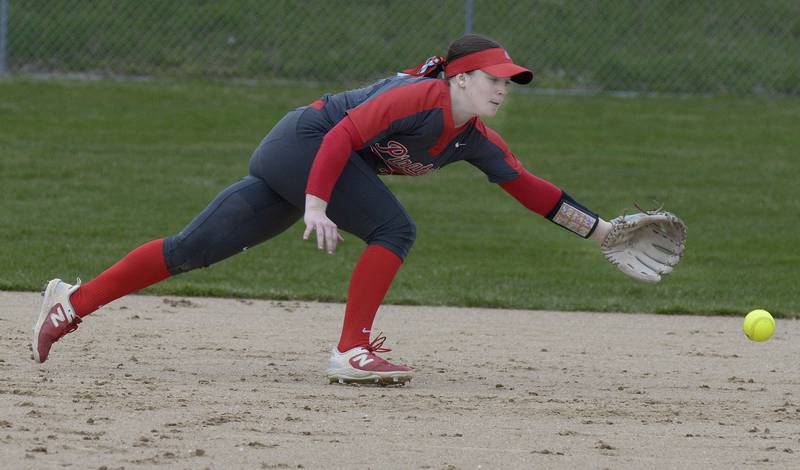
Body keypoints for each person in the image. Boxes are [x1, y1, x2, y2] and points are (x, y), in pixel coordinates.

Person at [32, 34, 613, 385]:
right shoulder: (416, 97)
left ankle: (69, 304)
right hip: (304, 143)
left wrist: (602, 231)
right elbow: (341, 135)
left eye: (508, 82)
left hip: (318, 166)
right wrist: (315, 204)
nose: (503, 89)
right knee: (394, 227)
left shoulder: (474, 139)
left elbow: (530, 188)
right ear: (460, 79)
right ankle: (351, 350)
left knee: (192, 250)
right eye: (494, 78)